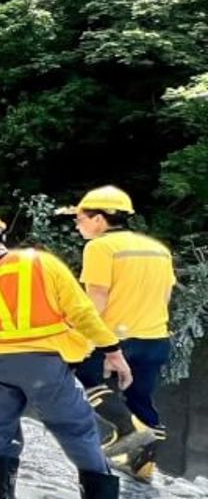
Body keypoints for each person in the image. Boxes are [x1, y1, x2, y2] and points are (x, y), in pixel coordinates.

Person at [0, 209, 132, 499]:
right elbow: (82, 312)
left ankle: (3, 498)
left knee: (0, 425)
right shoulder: (43, 263)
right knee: (76, 429)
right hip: (45, 364)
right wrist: (112, 350)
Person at [58, 186, 176, 483]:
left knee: (85, 377)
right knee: (140, 397)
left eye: (81, 218)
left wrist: (81, 337)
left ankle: (130, 431)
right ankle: (143, 465)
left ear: (99, 219)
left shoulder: (100, 247)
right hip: (156, 337)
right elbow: (165, 296)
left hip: (115, 338)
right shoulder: (158, 249)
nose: (77, 224)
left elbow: (96, 297)